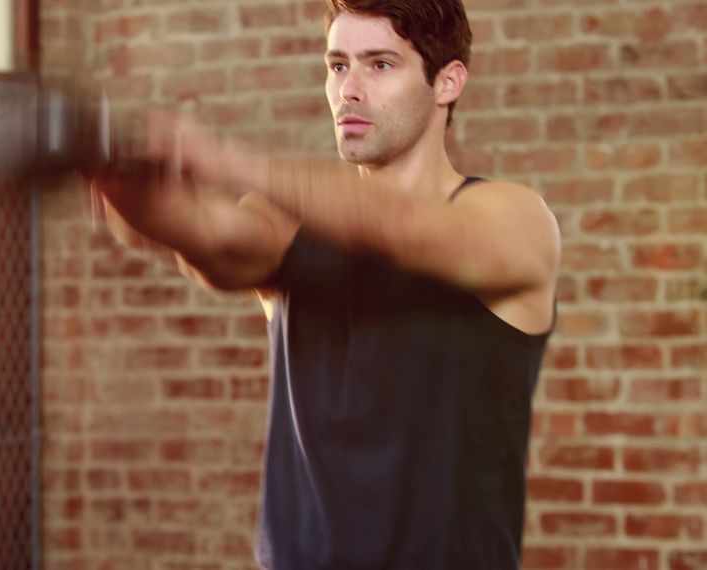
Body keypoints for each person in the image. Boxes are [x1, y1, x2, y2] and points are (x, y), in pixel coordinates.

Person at [87, 0, 560, 567]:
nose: (349, 91)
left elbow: (397, 226)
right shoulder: (290, 224)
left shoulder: (512, 218)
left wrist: (223, 160)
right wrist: (112, 170)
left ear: (447, 82)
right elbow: (207, 237)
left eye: (379, 65)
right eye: (338, 66)